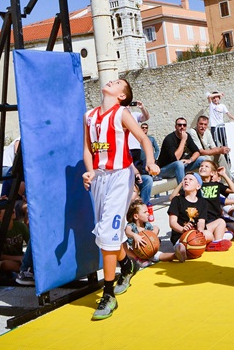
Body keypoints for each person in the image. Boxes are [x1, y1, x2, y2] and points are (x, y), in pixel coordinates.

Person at [82, 78, 159, 321]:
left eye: (118, 83)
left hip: (119, 177)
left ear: (122, 95)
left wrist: (150, 161)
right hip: (100, 178)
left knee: (106, 233)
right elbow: (87, 148)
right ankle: (127, 265)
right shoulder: (90, 115)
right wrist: (90, 170)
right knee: (105, 236)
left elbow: (144, 139)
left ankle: (108, 294)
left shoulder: (122, 113)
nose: (112, 81)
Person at [124, 199, 185, 267]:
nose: (148, 213)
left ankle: (176, 255)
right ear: (136, 216)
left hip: (148, 250)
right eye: (145, 212)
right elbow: (127, 231)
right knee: (124, 245)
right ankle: (138, 259)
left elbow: (156, 228)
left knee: (159, 255)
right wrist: (134, 236)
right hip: (135, 251)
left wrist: (153, 234)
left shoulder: (146, 224)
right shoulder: (132, 226)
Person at [158, 118, 205, 185]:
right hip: (165, 169)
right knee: (179, 164)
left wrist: (190, 160)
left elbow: (197, 152)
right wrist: (183, 140)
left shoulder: (187, 136)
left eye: (184, 125)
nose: (182, 127)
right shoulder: (169, 139)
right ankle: (183, 190)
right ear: (175, 126)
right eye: (179, 125)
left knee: (203, 159)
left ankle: (204, 184)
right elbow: (176, 158)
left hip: (181, 167)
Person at [0, 202, 28, 277]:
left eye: (12, 207)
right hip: (8, 261)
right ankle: (26, 271)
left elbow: (30, 243)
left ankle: (25, 270)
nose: (13, 209)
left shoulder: (20, 226)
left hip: (21, 258)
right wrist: (18, 258)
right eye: (7, 208)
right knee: (4, 264)